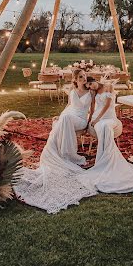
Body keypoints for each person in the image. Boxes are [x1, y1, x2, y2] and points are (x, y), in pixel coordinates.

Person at [12, 69, 96, 213]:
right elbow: (69, 107)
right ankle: (55, 153)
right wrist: (60, 116)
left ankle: (68, 153)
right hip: (69, 117)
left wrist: (89, 123)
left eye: (84, 76)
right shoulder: (72, 91)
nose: (83, 78)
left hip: (81, 120)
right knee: (62, 120)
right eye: (80, 77)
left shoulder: (91, 92)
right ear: (75, 79)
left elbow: (92, 110)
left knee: (64, 119)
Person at [84, 78, 133, 193]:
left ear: (94, 80)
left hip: (108, 117)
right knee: (102, 127)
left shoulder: (108, 86)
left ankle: (109, 160)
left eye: (91, 84)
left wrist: (97, 119)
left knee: (106, 126)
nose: (91, 87)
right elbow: (92, 107)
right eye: (88, 87)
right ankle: (103, 160)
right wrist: (91, 120)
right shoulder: (93, 91)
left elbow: (107, 105)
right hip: (98, 118)